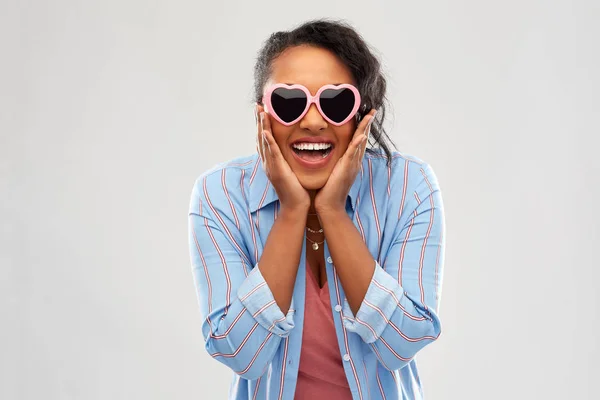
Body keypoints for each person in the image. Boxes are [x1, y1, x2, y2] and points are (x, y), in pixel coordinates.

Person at [188, 18, 446, 400]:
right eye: (289, 102)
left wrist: (332, 212)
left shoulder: (409, 187)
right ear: (263, 114)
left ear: (362, 115)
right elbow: (240, 355)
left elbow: (403, 343)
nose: (312, 121)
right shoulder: (220, 195)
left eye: (335, 102)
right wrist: (293, 210)